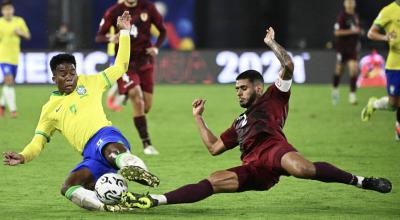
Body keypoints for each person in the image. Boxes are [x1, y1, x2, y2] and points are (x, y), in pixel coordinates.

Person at [120, 27, 392, 209]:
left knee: (303, 169)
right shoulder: (239, 122)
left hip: (274, 150)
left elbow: (288, 65)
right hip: (252, 167)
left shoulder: (274, 97)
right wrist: (198, 118)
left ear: (258, 88)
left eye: (243, 88)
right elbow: (214, 148)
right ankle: (156, 200)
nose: (238, 93)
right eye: (236, 89)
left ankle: (361, 181)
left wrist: (271, 43)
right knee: (213, 180)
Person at [3, 11, 159, 212]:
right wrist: (23, 156)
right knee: (68, 187)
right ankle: (111, 206)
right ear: (53, 78)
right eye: (63, 74)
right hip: (90, 155)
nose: (69, 78)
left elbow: (121, 66)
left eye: (72, 73)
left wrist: (124, 33)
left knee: (111, 150)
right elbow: (38, 142)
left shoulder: (91, 82)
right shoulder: (49, 109)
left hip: (105, 136)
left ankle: (136, 169)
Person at [96, 0, 167, 155]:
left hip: (145, 61)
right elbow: (99, 37)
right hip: (125, 62)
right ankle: (147, 144)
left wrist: (156, 47)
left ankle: (126, 91)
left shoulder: (148, 8)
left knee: (146, 107)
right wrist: (111, 37)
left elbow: (162, 31)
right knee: (137, 96)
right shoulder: (114, 11)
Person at [361, 0, 400, 140]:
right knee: (393, 104)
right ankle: (375, 103)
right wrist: (385, 37)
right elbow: (371, 33)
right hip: (395, 65)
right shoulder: (388, 10)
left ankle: (398, 128)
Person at [0, 0, 30, 118]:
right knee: (9, 80)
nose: (8, 11)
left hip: (15, 58)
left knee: (9, 84)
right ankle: (13, 110)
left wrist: (20, 32)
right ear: (2, 11)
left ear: (13, 10)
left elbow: (28, 35)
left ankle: (1, 105)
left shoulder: (19, 21)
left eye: (10, 9)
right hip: (3, 57)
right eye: (5, 9)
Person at [332, 0, 361, 105]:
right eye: (348, 2)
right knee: (339, 70)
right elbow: (337, 32)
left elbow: (357, 30)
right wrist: (352, 31)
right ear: (345, 4)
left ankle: (352, 95)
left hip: (352, 49)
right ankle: (335, 90)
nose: (350, 4)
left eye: (351, 2)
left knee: (354, 69)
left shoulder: (355, 16)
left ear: (354, 4)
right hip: (342, 49)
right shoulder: (342, 17)